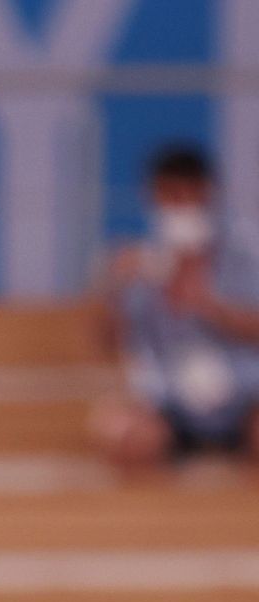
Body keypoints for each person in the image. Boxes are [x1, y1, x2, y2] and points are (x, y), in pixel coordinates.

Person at [90, 145, 259, 465]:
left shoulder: (248, 254)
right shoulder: (139, 263)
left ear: (209, 194)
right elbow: (108, 343)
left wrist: (210, 306)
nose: (178, 205)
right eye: (168, 195)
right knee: (127, 437)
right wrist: (111, 290)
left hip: (245, 398)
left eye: (187, 195)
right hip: (169, 401)